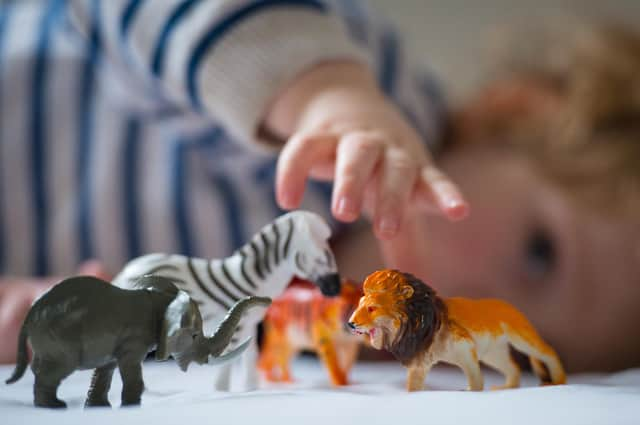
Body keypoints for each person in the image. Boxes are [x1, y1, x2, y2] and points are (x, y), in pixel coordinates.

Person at [0, 1, 638, 375]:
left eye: (522, 352)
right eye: (538, 252)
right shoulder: (373, 101)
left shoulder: (313, 350)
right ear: (516, 116)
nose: (474, 316)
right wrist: (323, 95)